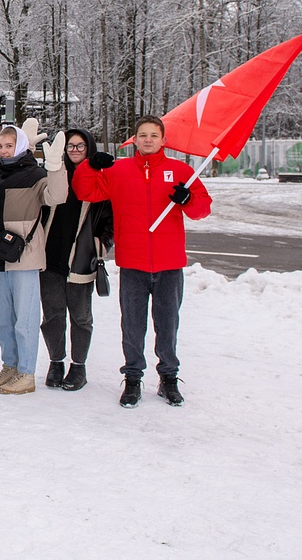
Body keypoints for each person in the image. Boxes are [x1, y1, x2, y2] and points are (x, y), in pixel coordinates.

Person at [72, 116, 212, 408]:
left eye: (154, 135)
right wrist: (90, 165)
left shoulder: (180, 170)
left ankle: (168, 378)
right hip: (133, 262)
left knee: (168, 324)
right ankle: (133, 377)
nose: (148, 139)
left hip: (169, 263)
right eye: (143, 135)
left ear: (163, 140)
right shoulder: (119, 170)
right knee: (132, 325)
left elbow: (202, 208)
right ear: (134, 139)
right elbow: (86, 191)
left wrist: (187, 200)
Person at [0, 124, 67, 396]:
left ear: (20, 146)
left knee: (25, 319)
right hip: (0, 257)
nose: (5, 150)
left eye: (10, 145)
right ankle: (11, 364)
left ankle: (27, 372)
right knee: (2, 320)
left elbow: (57, 196)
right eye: (1, 145)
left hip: (25, 257)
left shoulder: (35, 175)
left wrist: (55, 167)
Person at [39, 128, 114, 392]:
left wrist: (100, 244)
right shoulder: (53, 174)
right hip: (50, 257)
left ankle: (78, 366)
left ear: (89, 148)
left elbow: (110, 220)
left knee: (80, 317)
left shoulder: (100, 179)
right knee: (52, 315)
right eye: (70, 146)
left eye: (80, 146)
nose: (74, 151)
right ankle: (56, 361)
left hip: (80, 258)